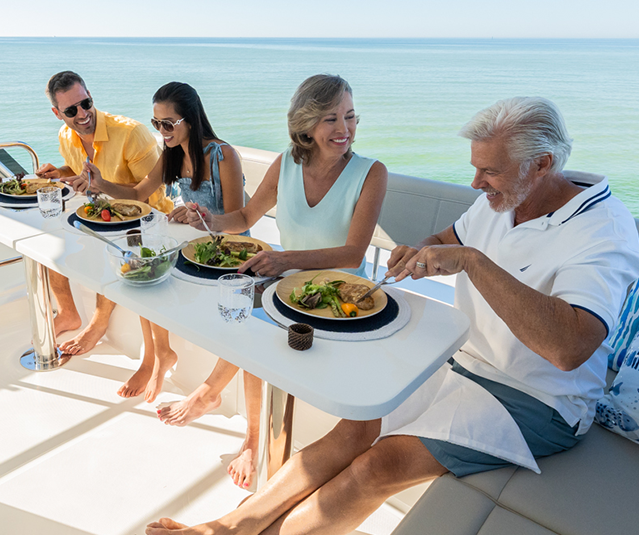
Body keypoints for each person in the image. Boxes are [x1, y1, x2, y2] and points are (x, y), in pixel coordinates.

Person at [144, 97, 639, 535]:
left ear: (541, 164)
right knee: (353, 428)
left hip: (538, 399)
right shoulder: (503, 199)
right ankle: (227, 529)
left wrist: (471, 261)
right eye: (476, 167)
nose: (476, 182)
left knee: (378, 465)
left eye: (489, 172)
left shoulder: (603, 229)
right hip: (464, 362)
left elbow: (571, 348)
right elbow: (449, 240)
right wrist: (423, 252)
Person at [161, 74, 389, 489]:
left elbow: (353, 254)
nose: (344, 130)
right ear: (305, 124)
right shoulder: (287, 163)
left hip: (338, 300)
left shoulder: (371, 173)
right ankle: (252, 435)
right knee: (241, 319)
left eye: (351, 117)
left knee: (257, 326)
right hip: (286, 287)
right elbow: (245, 218)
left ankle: (236, 419)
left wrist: (283, 260)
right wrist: (206, 219)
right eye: (330, 119)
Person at [81, 82, 247, 403]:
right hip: (194, 248)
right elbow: (137, 194)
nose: (162, 131)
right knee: (144, 271)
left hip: (229, 254)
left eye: (168, 124)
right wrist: (99, 181)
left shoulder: (222, 155)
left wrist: (202, 218)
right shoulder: (172, 154)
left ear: (190, 120)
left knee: (153, 272)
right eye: (157, 123)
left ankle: (174, 368)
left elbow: (239, 222)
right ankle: (160, 355)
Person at [35, 71, 174, 361]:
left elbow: (148, 194)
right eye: (72, 110)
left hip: (147, 220)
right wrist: (60, 173)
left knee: (112, 246)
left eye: (86, 103)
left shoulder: (131, 133)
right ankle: (68, 313)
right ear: (57, 113)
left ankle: (98, 322)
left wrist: (101, 187)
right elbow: (80, 172)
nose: (83, 114)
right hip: (102, 213)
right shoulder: (66, 135)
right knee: (50, 239)